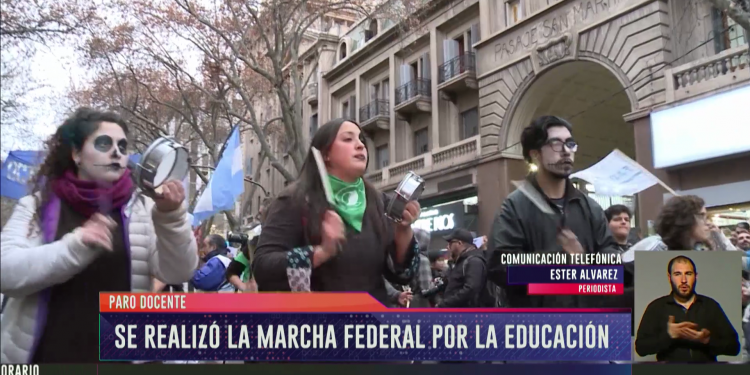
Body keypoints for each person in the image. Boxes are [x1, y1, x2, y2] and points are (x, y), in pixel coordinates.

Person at [0, 108, 198, 363]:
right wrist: (75, 246)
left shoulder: (144, 209)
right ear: (76, 154)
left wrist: (172, 217)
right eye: (104, 143)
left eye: (123, 146)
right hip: (45, 358)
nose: (116, 152)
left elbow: (179, 272)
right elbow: (6, 273)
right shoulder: (36, 206)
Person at [252, 119, 420, 303]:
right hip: (319, 324)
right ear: (325, 154)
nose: (360, 145)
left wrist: (403, 231)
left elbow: (402, 275)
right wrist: (320, 252)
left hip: (372, 323)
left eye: (361, 140)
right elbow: (263, 267)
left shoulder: (380, 202)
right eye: (348, 139)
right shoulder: (294, 200)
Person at [487, 115, 619, 308]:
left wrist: (583, 261)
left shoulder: (590, 208)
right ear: (535, 154)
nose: (566, 151)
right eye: (556, 144)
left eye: (570, 144)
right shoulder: (515, 207)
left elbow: (612, 267)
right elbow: (501, 268)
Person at [635, 255, 740, 362]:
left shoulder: (710, 306)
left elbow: (734, 347)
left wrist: (707, 340)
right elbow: (641, 348)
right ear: (669, 277)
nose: (684, 280)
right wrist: (668, 336)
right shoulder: (656, 307)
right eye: (677, 274)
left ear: (696, 276)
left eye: (688, 274)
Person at [437, 229, 487, 308]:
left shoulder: (474, 261)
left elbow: (470, 290)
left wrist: (445, 304)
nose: (447, 246)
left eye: (450, 243)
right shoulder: (462, 261)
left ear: (459, 243)